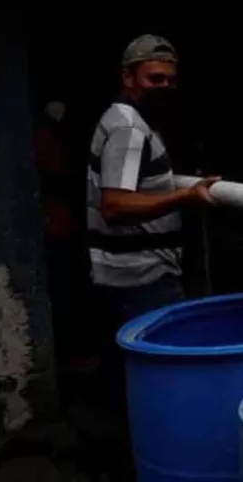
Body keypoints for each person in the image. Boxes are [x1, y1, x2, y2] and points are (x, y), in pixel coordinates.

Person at [86, 34, 216, 324]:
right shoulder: (129, 130)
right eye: (155, 80)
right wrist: (186, 195)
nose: (164, 88)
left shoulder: (125, 120)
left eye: (170, 81)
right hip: (142, 277)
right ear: (128, 78)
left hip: (129, 274)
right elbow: (115, 205)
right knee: (174, 359)